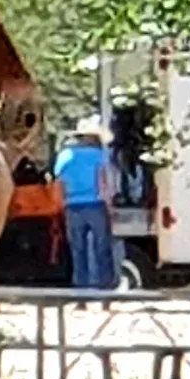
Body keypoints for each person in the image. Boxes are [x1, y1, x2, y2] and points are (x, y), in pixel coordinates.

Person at [55, 118, 118, 291]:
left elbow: (59, 183)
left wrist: (62, 204)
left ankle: (80, 292)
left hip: (72, 206)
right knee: (102, 249)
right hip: (95, 204)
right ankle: (105, 290)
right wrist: (110, 207)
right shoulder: (100, 155)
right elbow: (104, 182)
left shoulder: (64, 156)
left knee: (77, 251)